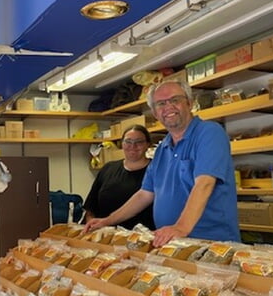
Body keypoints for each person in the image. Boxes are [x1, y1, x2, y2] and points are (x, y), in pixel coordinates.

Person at [84, 80, 239, 246]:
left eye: (175, 100)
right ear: (155, 113)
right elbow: (145, 194)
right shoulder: (162, 148)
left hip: (211, 243)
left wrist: (180, 227)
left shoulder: (209, 133)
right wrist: (107, 221)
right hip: (172, 242)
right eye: (161, 103)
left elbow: (205, 183)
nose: (168, 107)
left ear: (189, 103)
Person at [83, 125, 155, 230]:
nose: (133, 146)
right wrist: (93, 228)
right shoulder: (108, 169)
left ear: (148, 145)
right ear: (122, 144)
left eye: (139, 142)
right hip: (107, 236)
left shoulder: (156, 171)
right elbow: (91, 208)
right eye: (128, 142)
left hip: (143, 239)